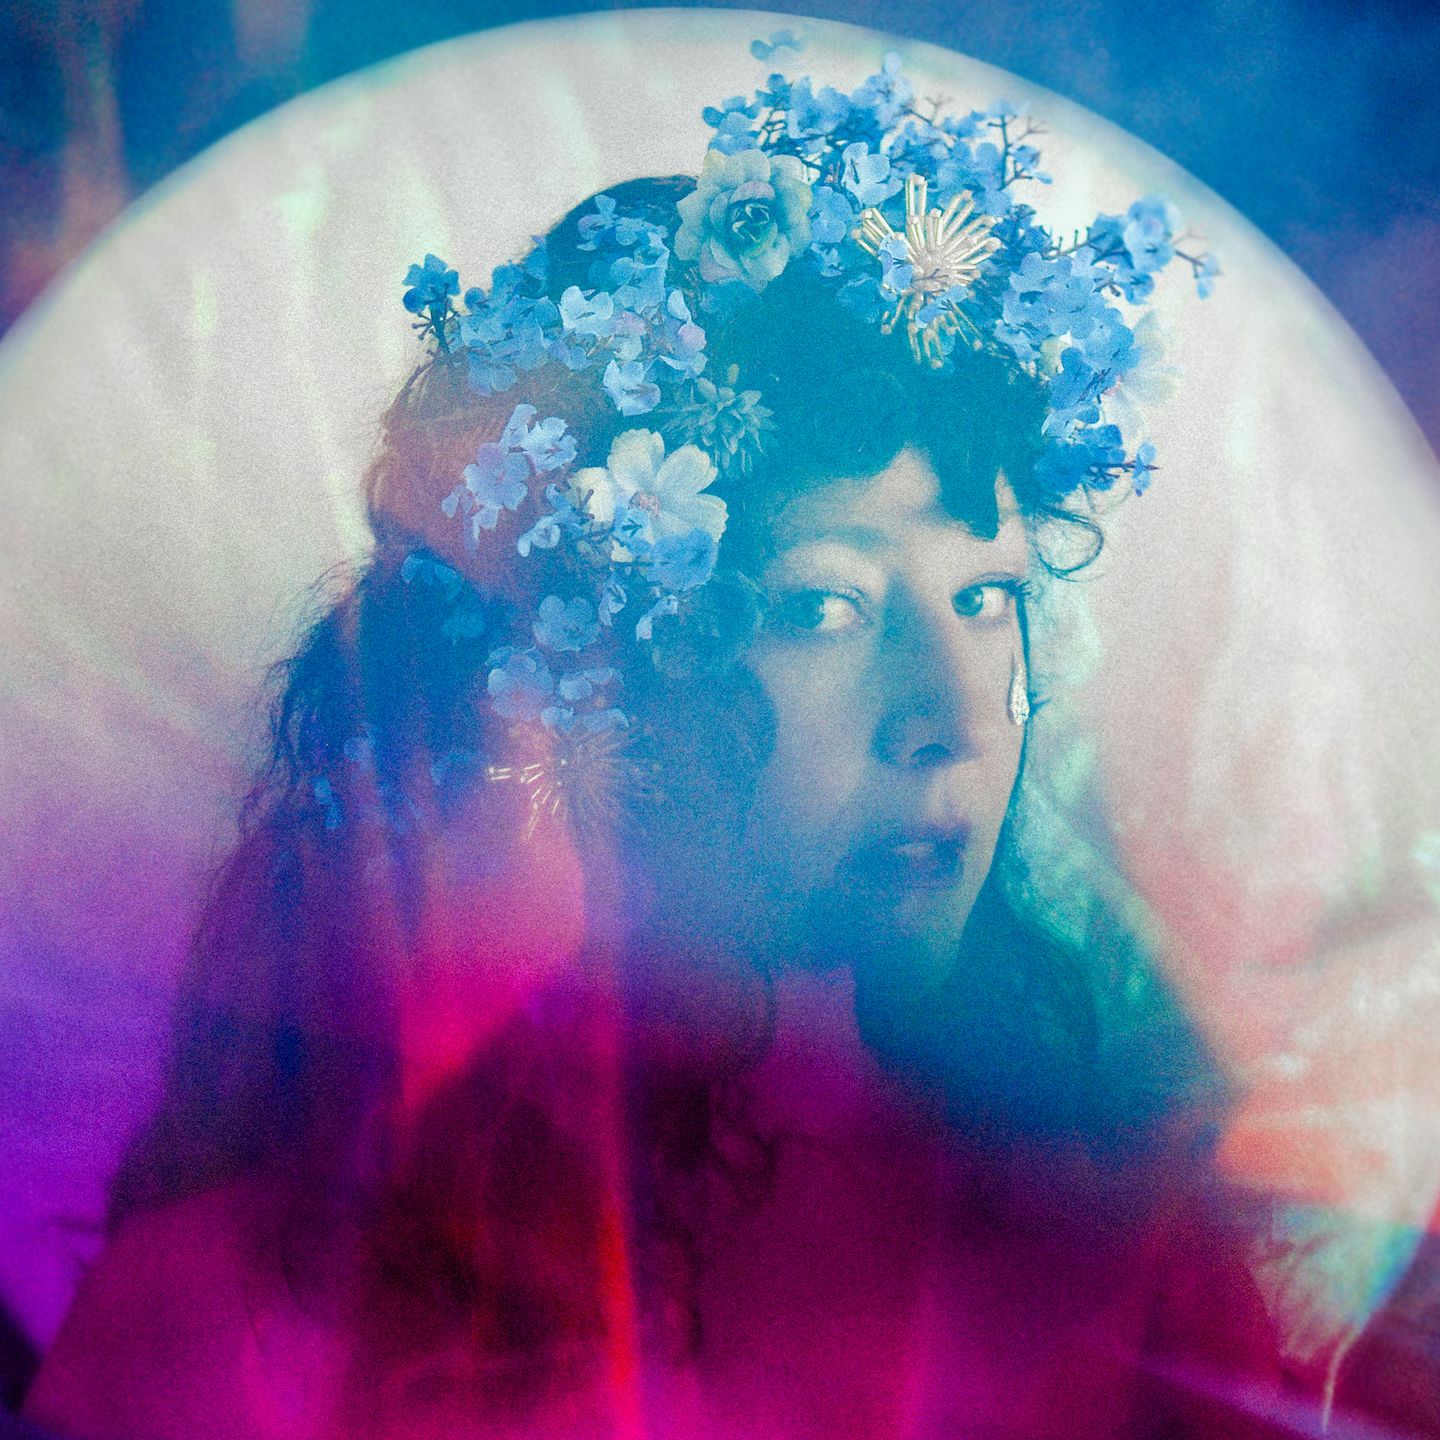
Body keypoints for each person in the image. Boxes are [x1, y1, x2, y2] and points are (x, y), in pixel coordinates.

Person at [20, 48, 1373, 1440]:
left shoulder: (1124, 1256)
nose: (955, 718)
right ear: (587, 673)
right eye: (823, 606)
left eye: (987, 600)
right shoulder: (247, 1306)